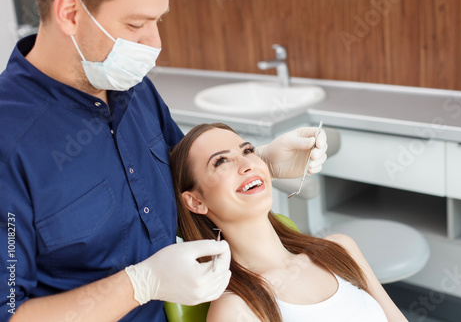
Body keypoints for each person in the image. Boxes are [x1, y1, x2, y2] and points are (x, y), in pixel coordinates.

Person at [0, 0, 328, 321]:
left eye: (159, 20)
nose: (154, 43)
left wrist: (259, 161)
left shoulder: (132, 88)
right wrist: (139, 285)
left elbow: (192, 182)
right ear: (70, 12)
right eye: (135, 24)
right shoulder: (9, 144)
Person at [169, 123, 408, 322]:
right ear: (195, 201)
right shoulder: (236, 310)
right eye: (221, 161)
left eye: (248, 150)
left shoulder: (341, 250)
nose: (248, 164)